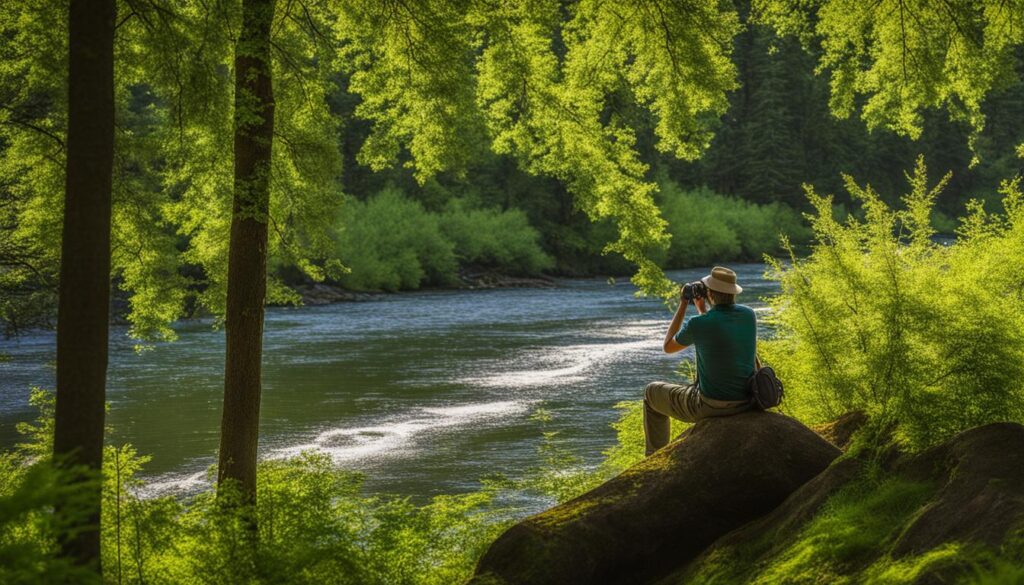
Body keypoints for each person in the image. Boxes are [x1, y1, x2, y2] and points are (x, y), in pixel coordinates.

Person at [643, 266, 758, 456]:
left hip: (710, 405)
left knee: (651, 393)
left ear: (710, 293)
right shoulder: (749, 315)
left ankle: (654, 457)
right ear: (732, 292)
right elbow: (720, 330)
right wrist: (702, 309)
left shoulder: (699, 324)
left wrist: (683, 303)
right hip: (746, 401)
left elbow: (668, 347)